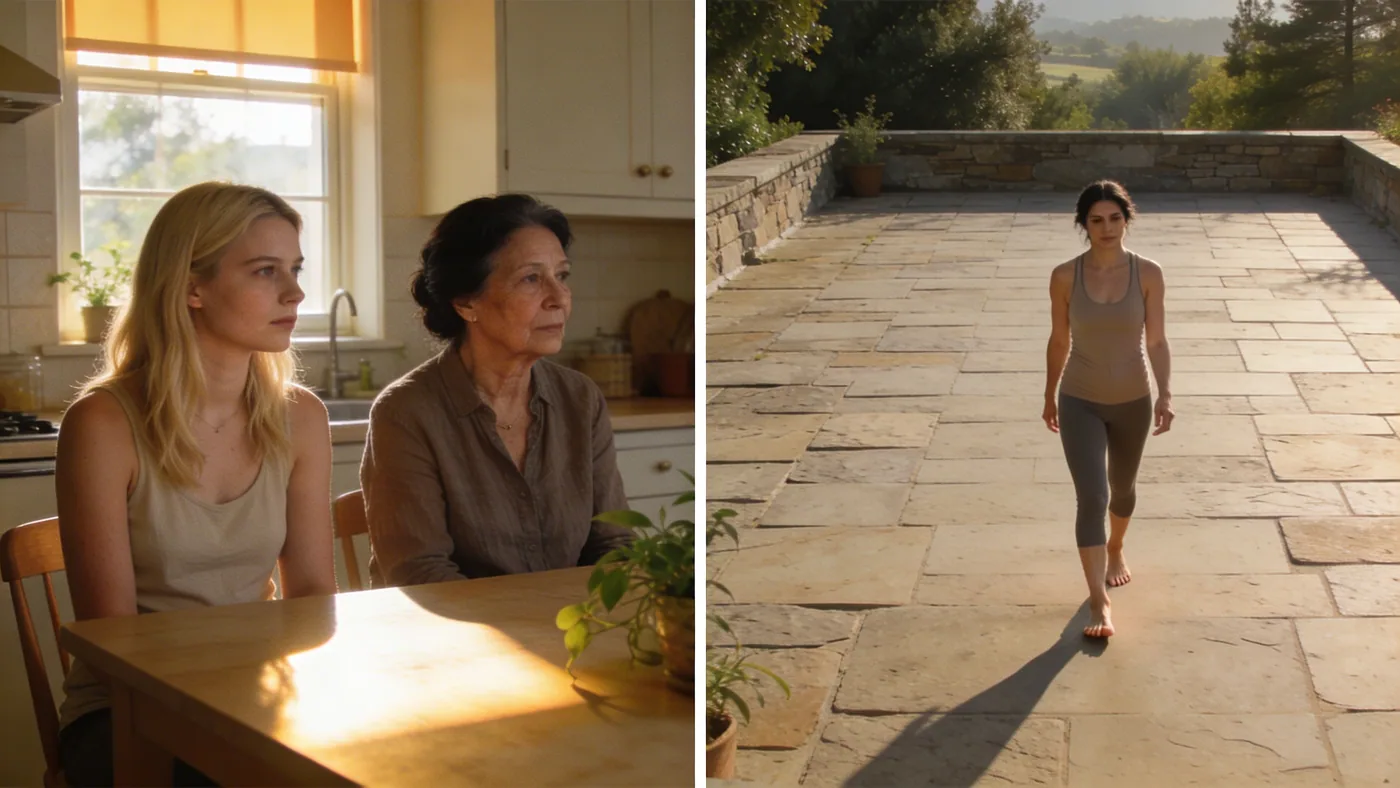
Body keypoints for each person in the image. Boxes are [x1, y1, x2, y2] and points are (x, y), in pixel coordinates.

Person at [53, 182, 338, 786]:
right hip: (127, 709)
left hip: (255, 688)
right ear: (191, 286)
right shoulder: (104, 424)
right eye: (266, 271)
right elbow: (114, 637)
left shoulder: (300, 417)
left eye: (295, 268)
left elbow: (312, 593)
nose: (296, 291)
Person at [361, 193, 633, 588]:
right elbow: (420, 573)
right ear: (466, 301)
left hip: (573, 632)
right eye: (531, 279)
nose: (558, 299)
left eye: (562, 276)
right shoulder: (406, 411)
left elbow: (614, 542)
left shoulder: (580, 399)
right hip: (457, 639)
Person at [1042, 179, 1175, 639]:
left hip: (1133, 399)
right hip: (1079, 397)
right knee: (1092, 497)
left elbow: (1156, 340)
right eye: (1096, 220)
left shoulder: (1149, 273)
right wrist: (1048, 393)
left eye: (1115, 218)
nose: (1106, 227)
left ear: (1127, 219)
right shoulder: (1064, 276)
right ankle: (1100, 603)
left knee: (1122, 490)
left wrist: (1166, 394)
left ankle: (1117, 546)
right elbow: (1059, 340)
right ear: (1083, 224)